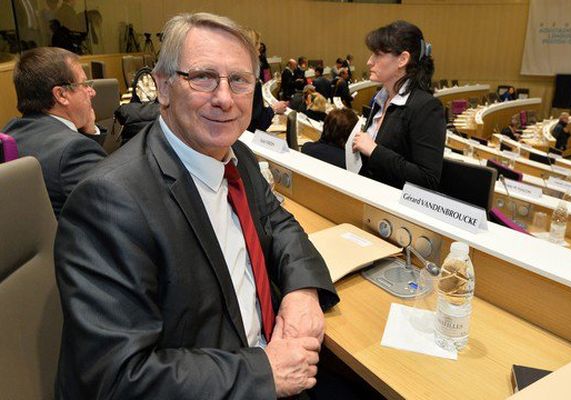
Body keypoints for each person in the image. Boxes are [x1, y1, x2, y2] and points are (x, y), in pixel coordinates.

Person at [54, 12, 339, 400]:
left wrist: (302, 290)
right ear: (163, 87)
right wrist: (264, 372)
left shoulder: (237, 154)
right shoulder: (109, 201)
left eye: (239, 80)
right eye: (203, 77)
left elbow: (279, 221)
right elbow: (117, 378)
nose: (224, 98)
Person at [2, 47, 106, 218]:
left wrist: (89, 130)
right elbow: (115, 202)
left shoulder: (10, 131)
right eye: (84, 85)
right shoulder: (73, 151)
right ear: (61, 95)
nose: (92, 92)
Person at [352, 20, 445, 190]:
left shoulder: (427, 107)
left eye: (377, 55)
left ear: (402, 59)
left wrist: (374, 150)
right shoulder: (380, 98)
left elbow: (428, 179)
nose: (369, 62)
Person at [245, 28, 287, 132]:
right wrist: (274, 109)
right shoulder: (252, 81)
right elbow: (258, 122)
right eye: (258, 49)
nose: (259, 54)